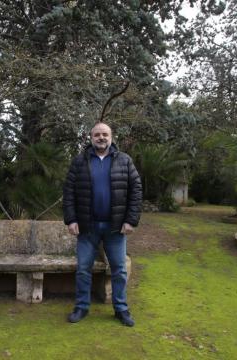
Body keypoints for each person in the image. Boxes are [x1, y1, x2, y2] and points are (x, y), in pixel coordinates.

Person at [63, 122, 142, 326]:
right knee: (82, 269)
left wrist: (131, 220)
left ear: (111, 137)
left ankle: (121, 309)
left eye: (105, 134)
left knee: (119, 269)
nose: (101, 138)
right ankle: (81, 307)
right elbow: (69, 192)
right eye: (97, 134)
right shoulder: (79, 162)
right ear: (90, 137)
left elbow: (136, 192)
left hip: (115, 227)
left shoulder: (124, 161)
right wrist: (71, 219)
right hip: (87, 227)